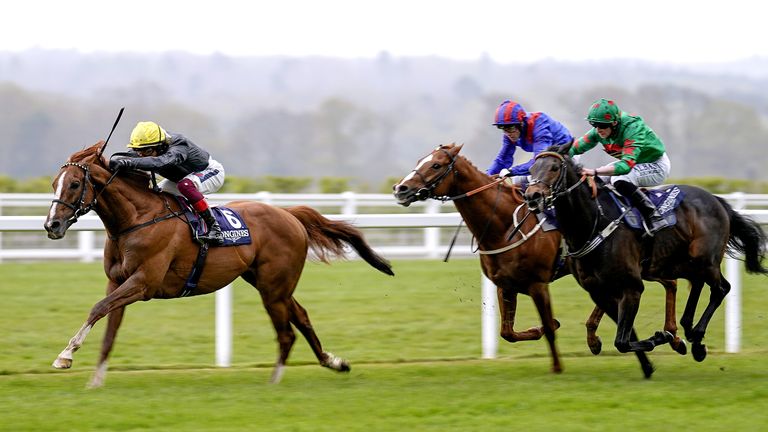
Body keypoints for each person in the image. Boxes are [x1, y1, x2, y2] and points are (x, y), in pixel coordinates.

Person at [109, 121, 226, 244]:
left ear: (161, 146)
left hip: (211, 172)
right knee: (156, 196)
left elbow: (160, 162)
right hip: (182, 179)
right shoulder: (149, 147)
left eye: (147, 151)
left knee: (186, 185)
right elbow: (127, 158)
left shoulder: (179, 144)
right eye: (138, 151)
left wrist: (128, 163)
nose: (142, 155)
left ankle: (215, 229)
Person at [569, 98, 671, 235]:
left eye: (602, 125)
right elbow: (574, 148)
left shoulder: (632, 128)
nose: (598, 129)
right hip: (635, 163)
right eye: (594, 124)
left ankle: (654, 216)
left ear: (614, 123)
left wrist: (594, 171)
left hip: (656, 165)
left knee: (619, 179)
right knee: (597, 182)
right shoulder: (599, 131)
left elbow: (625, 166)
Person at [487, 100, 574, 185]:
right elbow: (502, 159)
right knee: (518, 183)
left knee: (530, 183)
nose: (508, 133)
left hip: (564, 152)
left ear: (521, 123)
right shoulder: (509, 133)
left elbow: (540, 161)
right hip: (546, 158)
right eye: (502, 128)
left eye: (510, 128)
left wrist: (512, 171)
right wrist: (486, 176)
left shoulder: (539, 126)